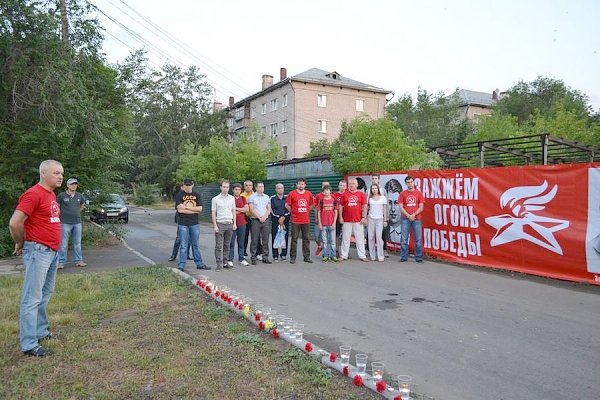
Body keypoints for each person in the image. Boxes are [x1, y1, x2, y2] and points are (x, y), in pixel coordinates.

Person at [9, 160, 64, 357]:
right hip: (38, 251)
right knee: (31, 298)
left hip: (51, 251)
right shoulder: (33, 194)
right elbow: (15, 223)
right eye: (56, 173)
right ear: (43, 173)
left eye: (61, 173)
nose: (60, 176)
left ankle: (41, 332)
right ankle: (29, 344)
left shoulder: (50, 194)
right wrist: (21, 242)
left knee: (45, 294)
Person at [175, 178, 210, 271]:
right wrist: (193, 210)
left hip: (194, 223)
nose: (187, 186)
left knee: (195, 244)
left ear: (192, 185)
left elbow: (200, 209)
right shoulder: (179, 195)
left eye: (189, 185)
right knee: (183, 245)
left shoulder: (197, 195)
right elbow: (179, 210)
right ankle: (181, 265)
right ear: (183, 185)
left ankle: (199, 263)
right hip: (183, 223)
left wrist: (186, 208)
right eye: (186, 185)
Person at [57, 177, 87, 269]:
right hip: (65, 222)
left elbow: (82, 206)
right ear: (67, 185)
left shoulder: (80, 196)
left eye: (75, 184)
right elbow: (57, 207)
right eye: (72, 184)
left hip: (77, 222)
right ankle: (61, 262)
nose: (74, 186)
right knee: (63, 243)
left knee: (77, 243)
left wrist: (76, 212)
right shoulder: (61, 196)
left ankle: (79, 261)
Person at [285, 178, 315, 264]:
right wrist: (293, 211)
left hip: (306, 220)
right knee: (294, 239)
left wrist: (307, 210)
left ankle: (306, 257)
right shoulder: (292, 193)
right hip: (295, 220)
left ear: (305, 185)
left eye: (302, 184)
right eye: (299, 184)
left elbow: (312, 204)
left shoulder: (308, 193)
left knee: (306, 239)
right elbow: (287, 204)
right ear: (296, 184)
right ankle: (293, 257)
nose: (300, 185)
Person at [339, 177, 368, 261]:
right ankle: (344, 255)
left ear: (357, 185)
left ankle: (362, 255)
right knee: (345, 238)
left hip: (358, 220)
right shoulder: (344, 194)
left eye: (353, 184)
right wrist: (340, 217)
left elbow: (365, 206)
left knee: (360, 238)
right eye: (350, 184)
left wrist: (364, 217)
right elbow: (340, 206)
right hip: (346, 220)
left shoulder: (361, 194)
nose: (351, 185)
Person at [399, 175, 425, 263]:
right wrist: (408, 215)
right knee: (404, 239)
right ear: (406, 184)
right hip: (405, 219)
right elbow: (401, 207)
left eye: (411, 182)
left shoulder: (419, 193)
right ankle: (403, 257)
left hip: (417, 219)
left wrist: (413, 214)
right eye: (408, 182)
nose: (410, 184)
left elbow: (421, 207)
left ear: (414, 182)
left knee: (418, 239)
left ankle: (418, 258)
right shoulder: (403, 194)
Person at [211, 180, 236, 271]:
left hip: (229, 223)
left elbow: (233, 210)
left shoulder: (232, 198)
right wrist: (215, 226)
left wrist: (235, 223)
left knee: (227, 245)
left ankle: (225, 262)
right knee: (218, 245)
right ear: (221, 187)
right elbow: (213, 212)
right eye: (224, 187)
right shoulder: (215, 199)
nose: (225, 189)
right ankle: (219, 264)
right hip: (220, 223)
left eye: (227, 187)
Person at [248, 182, 272, 265]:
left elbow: (269, 208)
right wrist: (259, 217)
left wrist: (264, 217)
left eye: (263, 186)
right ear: (256, 188)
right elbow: (251, 209)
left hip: (265, 220)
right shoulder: (252, 197)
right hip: (255, 220)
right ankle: (253, 257)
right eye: (260, 187)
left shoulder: (266, 197)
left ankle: (265, 257)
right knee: (254, 239)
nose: (262, 188)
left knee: (265, 239)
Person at [168, 184, 192, 262]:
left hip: (190, 219)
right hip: (181, 219)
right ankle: (173, 255)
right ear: (182, 187)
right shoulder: (179, 195)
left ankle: (187, 254)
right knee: (179, 238)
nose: (186, 187)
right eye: (184, 186)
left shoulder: (192, 195)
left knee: (189, 238)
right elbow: (178, 207)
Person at [229, 183, 249, 266]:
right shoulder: (230, 199)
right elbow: (228, 210)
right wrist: (240, 210)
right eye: (236, 189)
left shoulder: (243, 198)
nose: (237, 191)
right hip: (232, 223)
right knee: (231, 242)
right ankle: (230, 259)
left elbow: (246, 209)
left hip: (242, 223)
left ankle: (241, 258)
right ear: (233, 190)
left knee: (241, 242)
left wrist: (235, 209)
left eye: (239, 190)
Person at [369, 173, 389, 258]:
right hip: (371, 218)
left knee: (379, 236)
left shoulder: (383, 191)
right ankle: (372, 255)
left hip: (380, 218)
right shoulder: (369, 194)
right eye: (373, 178)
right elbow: (366, 206)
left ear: (379, 179)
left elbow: (385, 207)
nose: (374, 180)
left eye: (376, 178)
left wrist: (386, 219)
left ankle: (381, 254)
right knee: (370, 237)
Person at [317, 184, 338, 262]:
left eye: (327, 190)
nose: (326, 192)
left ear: (330, 191)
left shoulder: (334, 201)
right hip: (323, 224)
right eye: (324, 191)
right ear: (323, 192)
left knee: (332, 242)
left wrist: (334, 223)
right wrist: (320, 223)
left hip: (331, 224)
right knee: (325, 242)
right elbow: (319, 212)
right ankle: (325, 256)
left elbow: (336, 212)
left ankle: (333, 256)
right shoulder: (321, 201)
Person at [241, 180, 262, 259]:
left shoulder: (256, 195)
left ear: (252, 186)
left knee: (256, 236)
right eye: (246, 185)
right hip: (245, 217)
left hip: (255, 218)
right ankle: (243, 253)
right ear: (244, 186)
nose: (248, 187)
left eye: (250, 185)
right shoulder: (241, 195)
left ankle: (258, 253)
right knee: (244, 236)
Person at [270, 182, 290, 261]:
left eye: (282, 188)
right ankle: (275, 255)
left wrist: (284, 217)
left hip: (285, 221)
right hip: (275, 221)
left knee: (285, 237)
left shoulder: (287, 198)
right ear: (276, 189)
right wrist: (278, 218)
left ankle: (283, 254)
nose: (280, 189)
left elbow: (289, 209)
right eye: (278, 188)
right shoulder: (272, 198)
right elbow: (271, 210)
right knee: (275, 237)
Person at [385, 178, 403, 252]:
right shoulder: (384, 231)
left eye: (396, 203)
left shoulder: (409, 232)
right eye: (389, 203)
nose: (392, 209)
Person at [314, 181, 330, 257]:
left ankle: (325, 253)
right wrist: (316, 218)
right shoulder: (318, 196)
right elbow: (315, 208)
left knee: (325, 237)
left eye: (327, 185)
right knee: (316, 236)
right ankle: (319, 247)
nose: (325, 186)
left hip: (327, 220)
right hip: (319, 219)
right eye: (323, 185)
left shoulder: (332, 196)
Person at [333, 180, 347, 257]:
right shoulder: (334, 195)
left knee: (346, 235)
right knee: (337, 235)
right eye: (341, 185)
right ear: (338, 186)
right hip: (337, 217)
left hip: (347, 217)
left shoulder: (348, 194)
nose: (342, 187)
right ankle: (337, 251)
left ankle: (345, 252)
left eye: (344, 186)